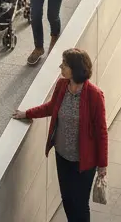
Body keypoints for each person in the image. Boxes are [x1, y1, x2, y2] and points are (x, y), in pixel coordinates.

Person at [13, 48, 108, 222]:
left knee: (80, 204)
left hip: (84, 161)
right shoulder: (62, 85)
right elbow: (51, 107)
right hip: (62, 156)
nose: (60, 67)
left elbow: (102, 132)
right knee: (68, 201)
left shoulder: (94, 95)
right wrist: (27, 113)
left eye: (64, 64)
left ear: (75, 69)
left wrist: (102, 165)